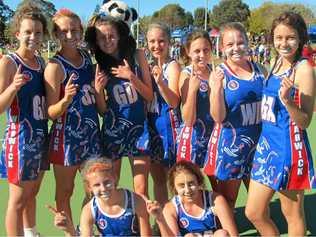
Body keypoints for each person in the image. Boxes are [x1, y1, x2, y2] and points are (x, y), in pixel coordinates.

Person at [245, 12, 316, 236]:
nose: (284, 43)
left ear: (300, 38)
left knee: (292, 214)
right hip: (267, 148)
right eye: (279, 38)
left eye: (290, 38)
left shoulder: (303, 69)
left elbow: (305, 121)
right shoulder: (275, 62)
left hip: (289, 150)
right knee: (254, 212)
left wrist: (287, 101)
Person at [84, 9, 153, 200]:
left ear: (120, 35)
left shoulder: (138, 56)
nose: (107, 41)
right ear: (96, 41)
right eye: (101, 38)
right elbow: (102, 111)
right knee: (111, 186)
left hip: (139, 130)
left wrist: (131, 76)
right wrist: (98, 91)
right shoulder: (98, 65)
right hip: (113, 132)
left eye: (111, 36)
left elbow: (148, 95)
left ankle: (142, 227)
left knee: (141, 189)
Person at [44, 8, 101, 224]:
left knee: (94, 189)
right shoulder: (54, 66)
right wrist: (65, 100)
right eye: (64, 31)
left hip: (91, 134)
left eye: (75, 30)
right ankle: (69, 232)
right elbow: (51, 112)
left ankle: (85, 228)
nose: (70, 36)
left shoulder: (87, 59)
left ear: (81, 31)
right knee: (65, 191)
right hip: (66, 138)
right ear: (56, 35)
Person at [203, 22, 265, 209]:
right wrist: (216, 89)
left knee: (260, 202)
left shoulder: (260, 70)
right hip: (233, 146)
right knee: (229, 199)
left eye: (240, 42)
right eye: (230, 45)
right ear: (222, 47)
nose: (236, 48)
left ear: (247, 43)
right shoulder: (220, 74)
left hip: (260, 145)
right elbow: (218, 117)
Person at [0, 5, 48, 236]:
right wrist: (13, 87)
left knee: (32, 194)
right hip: (20, 138)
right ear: (17, 33)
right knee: (17, 199)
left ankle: (31, 232)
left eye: (38, 32)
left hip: (40, 136)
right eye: (28, 32)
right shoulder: (9, 62)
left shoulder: (42, 64)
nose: (33, 37)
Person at [48, 157, 152, 236]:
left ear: (115, 179)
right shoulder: (90, 210)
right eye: (97, 185)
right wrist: (69, 229)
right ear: (89, 188)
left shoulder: (135, 201)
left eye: (107, 182)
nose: (103, 188)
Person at [146, 160, 239, 237]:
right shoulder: (171, 207)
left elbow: (233, 235)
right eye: (181, 185)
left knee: (222, 234)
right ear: (175, 188)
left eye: (191, 184)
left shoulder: (216, 200)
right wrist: (159, 218)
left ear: (199, 182)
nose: (187, 190)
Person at [146, 23, 181, 207]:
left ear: (169, 43)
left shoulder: (173, 66)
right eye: (152, 41)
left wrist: (160, 83)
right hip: (152, 126)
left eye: (161, 41)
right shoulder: (149, 65)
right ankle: (163, 219)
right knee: (157, 178)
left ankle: (182, 218)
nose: (157, 45)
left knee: (175, 179)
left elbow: (174, 102)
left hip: (169, 128)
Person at [176, 30, 214, 168]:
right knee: (194, 185)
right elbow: (188, 119)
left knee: (219, 186)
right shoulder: (186, 75)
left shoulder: (214, 72)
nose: (202, 55)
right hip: (194, 139)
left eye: (206, 50)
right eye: (197, 51)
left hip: (214, 137)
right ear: (188, 52)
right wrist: (192, 90)